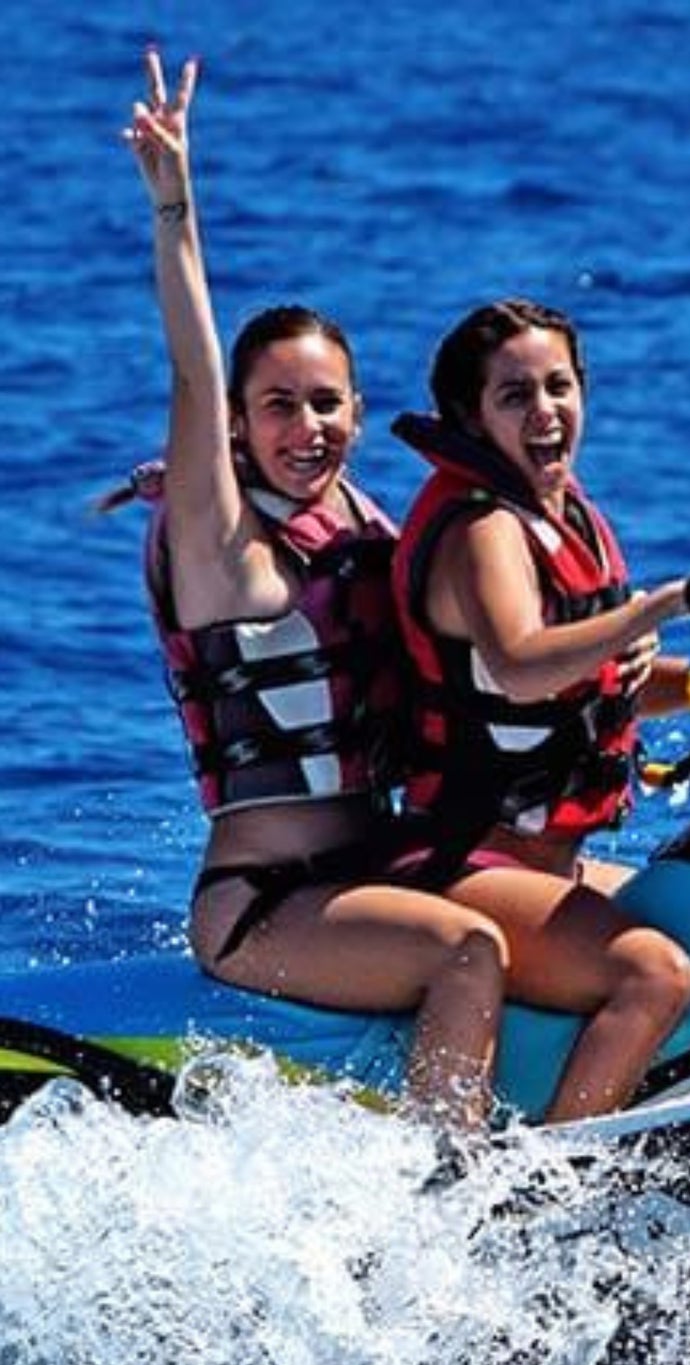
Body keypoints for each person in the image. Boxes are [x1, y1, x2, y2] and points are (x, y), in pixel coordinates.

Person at [118, 48, 509, 1134]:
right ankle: (444, 1218)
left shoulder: (368, 532)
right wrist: (175, 207)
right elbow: (194, 368)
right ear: (239, 424)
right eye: (278, 406)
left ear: (357, 406)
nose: (309, 426)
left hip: (383, 860)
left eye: (327, 403)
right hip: (264, 907)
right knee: (469, 951)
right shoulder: (220, 548)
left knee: (611, 906)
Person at [390, 297, 690, 1122]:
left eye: (559, 387)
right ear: (469, 416)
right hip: (466, 861)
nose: (545, 412)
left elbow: (607, 686)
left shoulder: (566, 520)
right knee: (655, 972)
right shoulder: (483, 529)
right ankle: (550, 1195)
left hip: (546, 860)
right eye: (514, 396)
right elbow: (521, 663)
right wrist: (664, 603)